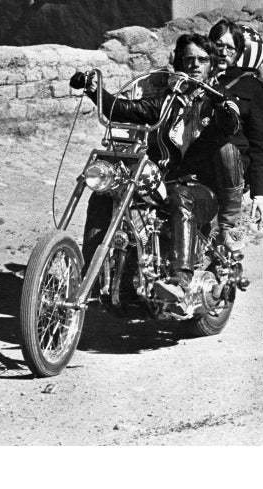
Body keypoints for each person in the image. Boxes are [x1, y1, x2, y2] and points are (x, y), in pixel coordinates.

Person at [70, 33, 240, 305]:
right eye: (189, 59)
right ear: (178, 64)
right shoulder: (166, 102)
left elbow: (230, 124)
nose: (195, 65)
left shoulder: (218, 100)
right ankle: (91, 275)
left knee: (180, 199)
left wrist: (223, 108)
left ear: (211, 65)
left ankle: (181, 280)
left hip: (201, 190)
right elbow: (122, 109)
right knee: (103, 195)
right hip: (159, 182)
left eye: (202, 60)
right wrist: (94, 90)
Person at [207, 19, 263, 250]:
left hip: (231, 170)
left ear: (238, 53)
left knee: (223, 245)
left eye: (230, 48)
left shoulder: (250, 88)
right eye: (217, 45)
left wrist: (260, 195)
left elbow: (259, 143)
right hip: (196, 163)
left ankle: (233, 229)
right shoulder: (193, 77)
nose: (223, 52)